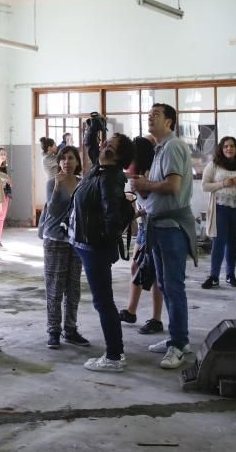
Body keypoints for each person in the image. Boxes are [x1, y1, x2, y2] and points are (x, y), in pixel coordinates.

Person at [130, 103, 196, 370]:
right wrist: (143, 194)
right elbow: (157, 189)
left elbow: (172, 186)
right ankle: (176, 339)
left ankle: (179, 344)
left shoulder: (173, 146)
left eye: (156, 115)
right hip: (158, 225)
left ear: (170, 122)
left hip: (171, 227)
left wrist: (146, 185)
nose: (150, 118)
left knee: (173, 285)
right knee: (166, 285)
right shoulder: (159, 150)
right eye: (148, 115)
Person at [70, 134, 135, 372]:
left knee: (103, 302)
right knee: (103, 301)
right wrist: (93, 130)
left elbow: (112, 217)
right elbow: (90, 145)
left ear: (118, 157)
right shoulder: (98, 170)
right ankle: (114, 352)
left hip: (95, 247)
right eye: (105, 142)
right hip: (87, 245)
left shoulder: (109, 177)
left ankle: (115, 356)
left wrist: (104, 244)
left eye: (111, 147)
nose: (105, 146)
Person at [39, 145, 88, 349]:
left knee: (73, 287)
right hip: (55, 239)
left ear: (77, 162)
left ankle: (70, 329)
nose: (67, 162)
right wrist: (58, 187)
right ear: (59, 162)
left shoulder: (82, 183)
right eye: (63, 158)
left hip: (75, 239)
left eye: (71, 158)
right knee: (55, 286)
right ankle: (53, 330)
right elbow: (53, 208)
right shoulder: (52, 183)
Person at [119, 136, 165, 335]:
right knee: (136, 266)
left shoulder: (150, 174)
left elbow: (154, 203)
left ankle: (156, 318)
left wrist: (136, 212)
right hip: (144, 227)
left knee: (154, 275)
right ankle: (131, 310)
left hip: (152, 227)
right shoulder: (138, 172)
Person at [200, 136, 236, 289]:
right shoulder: (214, 165)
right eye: (225, 146)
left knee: (232, 243)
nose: (229, 149)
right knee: (218, 241)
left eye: (232, 146)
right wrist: (224, 183)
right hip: (221, 207)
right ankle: (214, 276)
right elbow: (204, 186)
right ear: (221, 149)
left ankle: (230, 275)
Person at [0, 147, 12, 249]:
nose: (3, 156)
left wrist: (9, 183)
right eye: (1, 154)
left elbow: (6, 181)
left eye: (5, 154)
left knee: (1, 218)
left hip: (5, 194)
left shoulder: (4, 167)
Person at [39, 137, 59, 202]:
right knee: (53, 205)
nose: (56, 146)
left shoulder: (50, 156)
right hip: (53, 184)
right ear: (49, 148)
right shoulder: (47, 158)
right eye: (55, 145)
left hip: (56, 183)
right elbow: (61, 160)